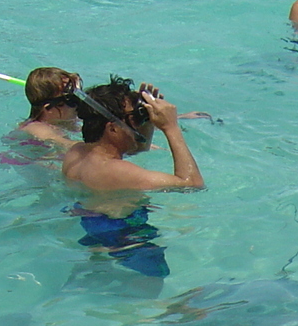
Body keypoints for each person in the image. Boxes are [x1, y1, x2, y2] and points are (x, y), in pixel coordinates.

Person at [62, 77, 203, 281]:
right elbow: (193, 184)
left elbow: (138, 146)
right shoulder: (118, 172)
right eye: (135, 119)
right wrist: (171, 127)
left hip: (95, 224)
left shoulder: (77, 152)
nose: (139, 122)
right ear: (112, 129)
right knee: (154, 285)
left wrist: (147, 121)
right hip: (126, 236)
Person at [14, 66, 82, 151]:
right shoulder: (36, 128)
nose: (77, 104)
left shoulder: (65, 121)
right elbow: (69, 145)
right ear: (48, 108)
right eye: (71, 100)